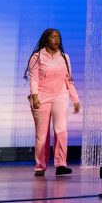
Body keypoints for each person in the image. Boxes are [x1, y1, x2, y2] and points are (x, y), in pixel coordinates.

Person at [25, 29, 81, 177]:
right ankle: (40, 166)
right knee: (42, 134)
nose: (56, 40)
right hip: (41, 96)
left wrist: (75, 98)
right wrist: (35, 95)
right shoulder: (37, 57)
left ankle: (61, 164)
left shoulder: (64, 57)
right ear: (46, 39)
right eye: (53, 37)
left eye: (58, 37)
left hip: (60, 95)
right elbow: (34, 78)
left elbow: (69, 79)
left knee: (60, 129)